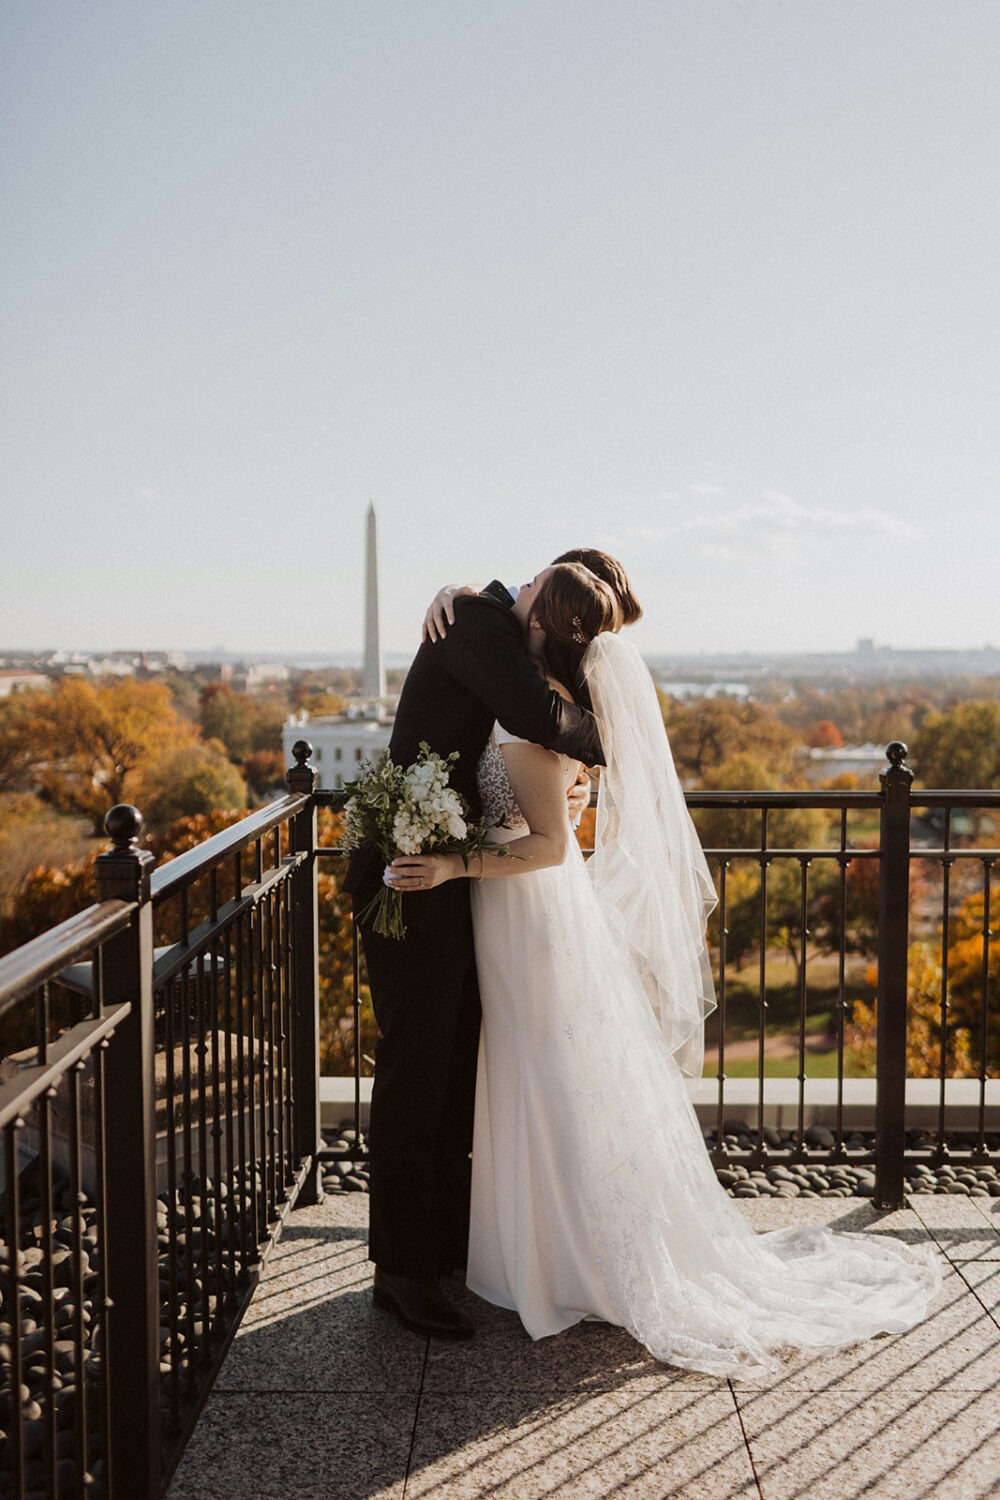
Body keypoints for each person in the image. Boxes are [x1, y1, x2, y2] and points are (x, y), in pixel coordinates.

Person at [386, 562, 942, 1376]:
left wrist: (473, 853)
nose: (520, 585)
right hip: (499, 911)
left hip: (515, 908)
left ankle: (552, 1251)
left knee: (529, 1068)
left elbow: (540, 825)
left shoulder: (531, 698)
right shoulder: (489, 634)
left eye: (534, 585)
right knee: (511, 1070)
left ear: (542, 614)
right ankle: (503, 1244)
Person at [347, 557, 637, 1342]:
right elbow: (537, 717)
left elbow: (528, 736)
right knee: (417, 1068)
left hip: (455, 880)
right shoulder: (475, 623)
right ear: (541, 591)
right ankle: (400, 1273)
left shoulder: (486, 621)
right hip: (408, 877)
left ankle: (442, 1245)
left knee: (453, 1069)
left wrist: (575, 769)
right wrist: (609, 736)